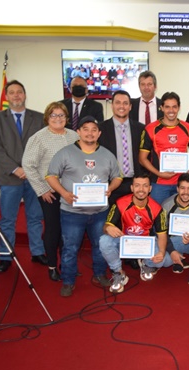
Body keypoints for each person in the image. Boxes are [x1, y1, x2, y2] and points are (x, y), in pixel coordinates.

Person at [46, 116, 123, 297]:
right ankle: (68, 280)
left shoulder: (107, 154)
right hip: (72, 212)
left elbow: (118, 176)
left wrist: (111, 188)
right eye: (86, 129)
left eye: (94, 129)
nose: (90, 133)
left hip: (99, 212)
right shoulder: (65, 153)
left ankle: (99, 274)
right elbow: (50, 176)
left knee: (100, 246)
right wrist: (64, 193)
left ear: (99, 133)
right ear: (78, 132)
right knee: (70, 248)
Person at [0, 80, 48, 273]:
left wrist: (29, 169)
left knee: (34, 217)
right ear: (7, 96)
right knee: (8, 219)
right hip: (9, 177)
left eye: (19, 92)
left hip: (34, 176)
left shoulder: (39, 118)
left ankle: (37, 252)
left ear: (25, 94)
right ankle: (6, 255)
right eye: (12, 92)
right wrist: (16, 169)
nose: (16, 96)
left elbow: (43, 146)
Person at [22, 101, 79, 281]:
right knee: (53, 230)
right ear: (47, 118)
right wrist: (42, 190)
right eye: (54, 115)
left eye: (61, 115)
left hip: (71, 193)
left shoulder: (73, 136)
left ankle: (67, 264)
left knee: (69, 230)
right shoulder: (38, 138)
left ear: (66, 118)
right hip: (50, 193)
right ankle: (52, 265)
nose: (58, 118)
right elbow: (28, 165)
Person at [99, 174, 172, 294]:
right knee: (104, 240)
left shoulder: (157, 208)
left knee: (166, 261)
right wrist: (108, 228)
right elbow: (106, 226)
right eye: (137, 186)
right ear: (132, 188)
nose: (141, 189)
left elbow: (162, 235)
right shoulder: (120, 203)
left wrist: (162, 252)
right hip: (124, 240)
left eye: (145, 186)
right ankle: (118, 272)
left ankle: (146, 264)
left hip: (145, 242)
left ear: (150, 189)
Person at [139, 91, 189, 205]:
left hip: (183, 184)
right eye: (167, 107)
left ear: (179, 108)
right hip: (159, 183)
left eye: (174, 107)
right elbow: (142, 159)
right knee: (158, 216)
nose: (171, 110)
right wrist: (158, 173)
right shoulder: (150, 128)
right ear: (161, 108)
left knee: (178, 217)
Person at [98, 90, 146, 205]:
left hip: (135, 185)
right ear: (112, 105)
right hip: (110, 185)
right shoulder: (100, 129)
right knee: (111, 221)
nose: (121, 106)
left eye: (125, 103)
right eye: (118, 102)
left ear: (130, 106)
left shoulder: (141, 129)